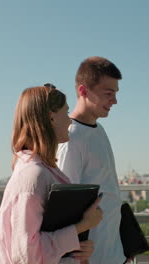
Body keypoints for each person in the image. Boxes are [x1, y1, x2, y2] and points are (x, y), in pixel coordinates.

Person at [0, 84, 103, 264]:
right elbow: (28, 256)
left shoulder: (41, 170)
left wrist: (78, 248)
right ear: (51, 118)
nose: (70, 121)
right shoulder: (33, 176)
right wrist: (82, 226)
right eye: (66, 113)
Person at [57, 57, 126, 264]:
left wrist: (121, 248)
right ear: (83, 91)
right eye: (108, 93)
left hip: (112, 253)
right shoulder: (71, 138)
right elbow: (66, 209)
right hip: (91, 258)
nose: (114, 101)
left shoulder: (98, 130)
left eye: (115, 94)